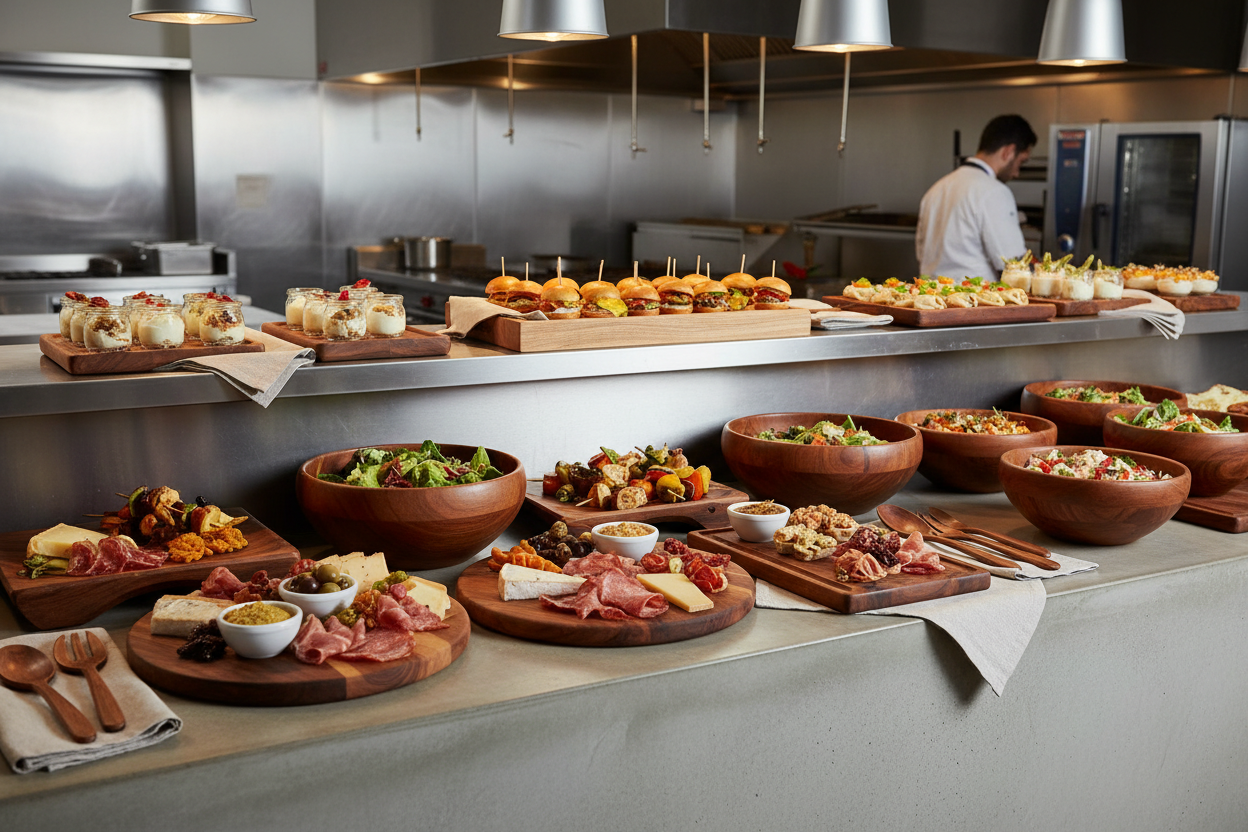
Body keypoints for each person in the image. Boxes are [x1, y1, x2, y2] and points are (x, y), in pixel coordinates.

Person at [915, 114, 1037, 280]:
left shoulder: (936, 189)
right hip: (974, 301)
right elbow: (1014, 267)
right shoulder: (994, 191)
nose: (1016, 173)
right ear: (1008, 152)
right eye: (1021, 162)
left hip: (931, 298)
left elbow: (921, 253)